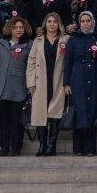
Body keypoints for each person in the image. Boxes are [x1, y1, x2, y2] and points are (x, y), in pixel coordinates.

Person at [26, 12, 69, 155]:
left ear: (59, 24)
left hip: (58, 81)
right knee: (40, 114)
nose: (52, 24)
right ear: (45, 24)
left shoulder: (66, 39)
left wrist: (68, 82)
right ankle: (42, 144)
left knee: (55, 113)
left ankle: (52, 145)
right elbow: (31, 62)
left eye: (55, 22)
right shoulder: (37, 41)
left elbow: (70, 61)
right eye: (49, 21)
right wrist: (30, 83)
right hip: (40, 82)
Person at [62, 11, 97, 156]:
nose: (86, 23)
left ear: (92, 22)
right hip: (78, 79)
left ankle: (90, 148)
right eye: (83, 21)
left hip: (95, 79)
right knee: (79, 111)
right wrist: (66, 83)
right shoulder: (73, 39)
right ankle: (78, 148)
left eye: (88, 20)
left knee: (92, 111)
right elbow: (68, 62)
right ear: (79, 23)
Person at [0, 17, 31, 157]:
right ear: (9, 29)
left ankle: (16, 147)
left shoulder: (29, 45)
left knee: (17, 121)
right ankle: (4, 147)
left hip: (19, 88)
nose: (18, 30)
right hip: (1, 88)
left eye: (21, 27)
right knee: (2, 121)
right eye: (15, 27)